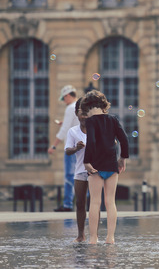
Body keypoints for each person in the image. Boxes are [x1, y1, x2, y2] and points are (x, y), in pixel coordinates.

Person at [81, 90, 129, 244]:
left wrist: (86, 161)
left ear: (88, 108)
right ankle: (110, 237)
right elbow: (124, 139)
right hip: (111, 163)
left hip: (95, 165)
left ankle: (93, 238)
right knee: (110, 201)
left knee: (95, 202)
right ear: (103, 105)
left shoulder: (91, 121)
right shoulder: (113, 119)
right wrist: (123, 158)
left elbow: (92, 142)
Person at [49, 85, 80, 212]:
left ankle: (67, 204)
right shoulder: (80, 107)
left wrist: (53, 145)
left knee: (69, 175)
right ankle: (88, 202)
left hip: (71, 147)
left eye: (64, 98)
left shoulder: (70, 108)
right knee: (83, 174)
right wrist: (65, 122)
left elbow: (64, 130)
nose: (64, 101)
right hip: (82, 147)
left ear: (68, 96)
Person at [64, 97, 89, 242]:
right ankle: (81, 235)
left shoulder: (96, 130)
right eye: (81, 112)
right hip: (80, 171)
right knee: (80, 203)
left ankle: (95, 234)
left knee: (95, 204)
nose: (84, 115)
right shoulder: (73, 132)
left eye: (87, 112)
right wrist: (76, 148)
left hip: (95, 171)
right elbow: (67, 151)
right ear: (76, 113)